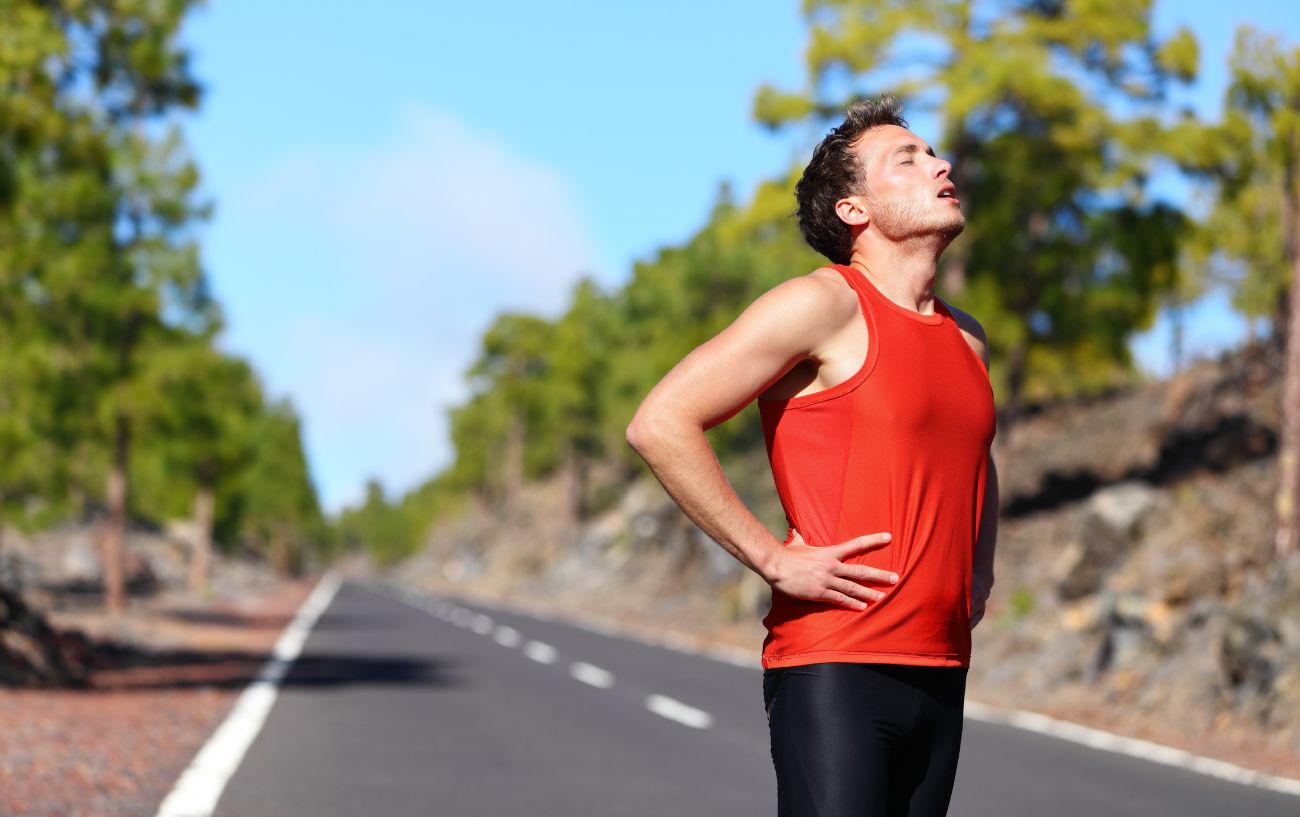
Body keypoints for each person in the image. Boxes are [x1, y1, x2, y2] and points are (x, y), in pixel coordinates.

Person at [624, 94, 999, 817]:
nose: (941, 164)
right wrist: (773, 557)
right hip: (837, 664)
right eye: (909, 158)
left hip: (943, 669)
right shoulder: (823, 306)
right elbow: (661, 421)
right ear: (854, 210)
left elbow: (979, 459)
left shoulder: (968, 337)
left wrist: (980, 568)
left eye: (934, 153)